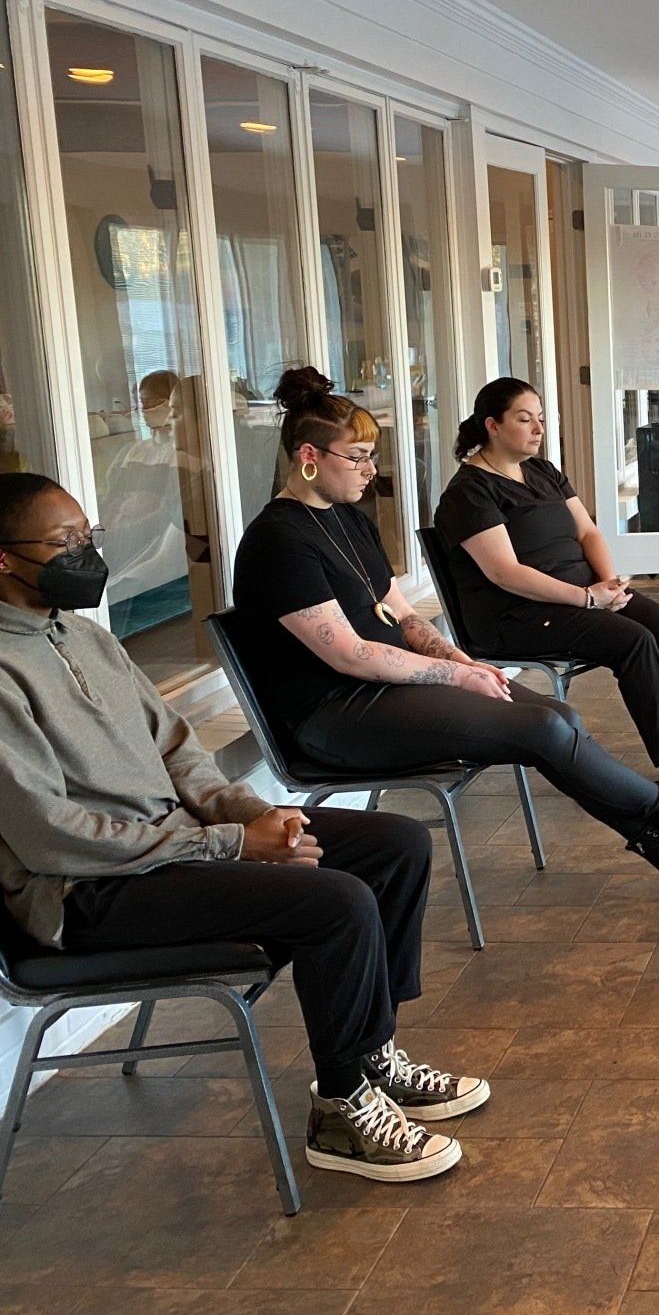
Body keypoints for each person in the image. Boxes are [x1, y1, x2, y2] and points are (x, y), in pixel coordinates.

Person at [0, 472, 485, 1183]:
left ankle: (370, 1054)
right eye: (65, 542)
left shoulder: (86, 637)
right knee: (337, 902)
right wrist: (229, 844)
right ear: (5, 558)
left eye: (88, 536)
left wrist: (252, 814)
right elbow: (53, 836)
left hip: (171, 848)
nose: (86, 554)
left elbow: (177, 750)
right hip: (86, 892)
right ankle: (341, 1109)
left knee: (394, 845)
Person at [230, 368, 659, 905]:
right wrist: (456, 674)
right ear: (309, 456)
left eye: (373, 455)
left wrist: (462, 662)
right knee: (543, 727)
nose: (372, 470)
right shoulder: (278, 541)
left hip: (391, 688)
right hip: (337, 715)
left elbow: (404, 616)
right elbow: (351, 654)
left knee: (559, 716)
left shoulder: (349, 520)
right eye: (357, 457)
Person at [435, 377, 659, 789]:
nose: (538, 428)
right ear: (492, 426)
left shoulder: (542, 471)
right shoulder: (468, 492)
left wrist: (609, 585)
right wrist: (587, 598)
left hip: (579, 597)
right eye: (524, 419)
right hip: (518, 614)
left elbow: (588, 532)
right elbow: (505, 572)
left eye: (541, 418)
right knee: (632, 640)